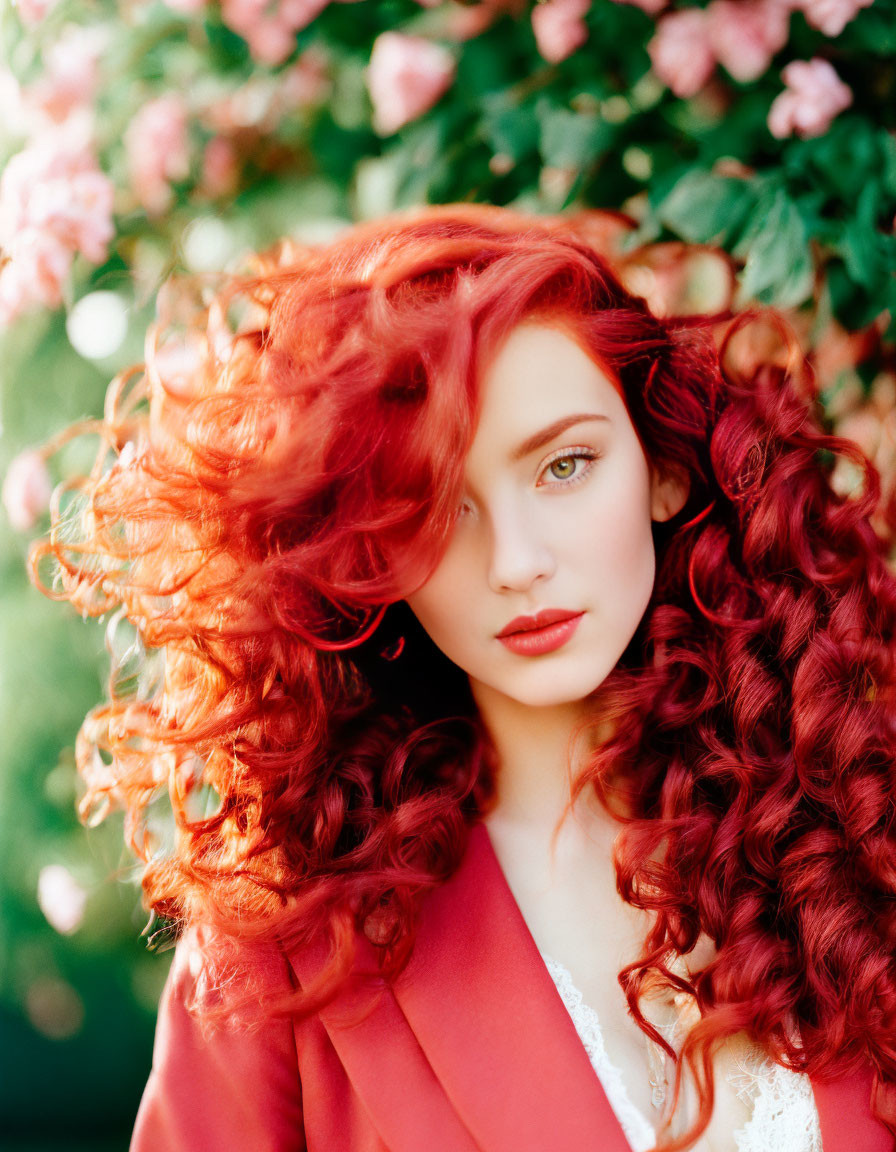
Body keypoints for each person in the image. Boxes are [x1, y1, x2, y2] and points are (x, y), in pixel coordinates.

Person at [30, 203, 896, 1152]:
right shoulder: (287, 953)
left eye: (565, 465)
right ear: (369, 553)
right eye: (436, 505)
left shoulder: (860, 824)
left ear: (662, 466)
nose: (516, 561)